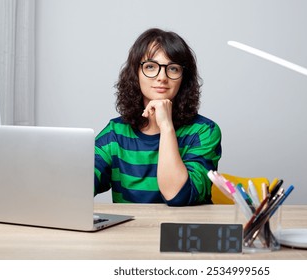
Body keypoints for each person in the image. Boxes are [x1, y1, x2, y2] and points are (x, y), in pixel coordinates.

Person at [94, 28, 222, 206]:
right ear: (135, 74)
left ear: (183, 78)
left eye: (173, 68)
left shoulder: (203, 132)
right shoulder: (115, 132)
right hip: (131, 232)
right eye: (150, 67)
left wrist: (166, 127)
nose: (162, 77)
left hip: (182, 230)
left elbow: (178, 196)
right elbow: (79, 186)